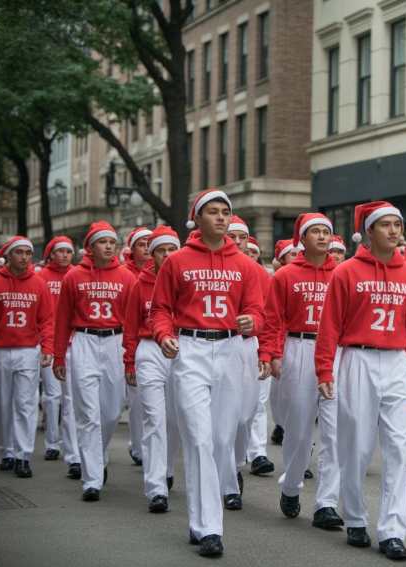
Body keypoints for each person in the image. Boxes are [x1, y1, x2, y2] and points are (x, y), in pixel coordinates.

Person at [150, 189, 264, 557]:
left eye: (225, 212)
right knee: (198, 439)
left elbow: (258, 311)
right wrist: (164, 334)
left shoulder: (245, 265)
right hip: (192, 349)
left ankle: (204, 520)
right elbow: (161, 308)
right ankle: (208, 527)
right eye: (212, 212)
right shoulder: (177, 261)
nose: (220, 217)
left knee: (220, 441)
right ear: (197, 219)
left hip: (231, 349)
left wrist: (252, 322)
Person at [315, 201, 406, 561]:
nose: (394, 231)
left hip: (397, 361)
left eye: (398, 224)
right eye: (386, 225)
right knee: (357, 447)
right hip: (358, 359)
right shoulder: (346, 272)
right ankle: (357, 518)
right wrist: (324, 370)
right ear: (368, 232)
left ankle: (393, 530)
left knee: (398, 448)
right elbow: (329, 325)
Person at [260, 212, 343, 528]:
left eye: (327, 232)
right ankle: (292, 485)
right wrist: (272, 353)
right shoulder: (285, 275)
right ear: (302, 238)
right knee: (299, 429)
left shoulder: (343, 273)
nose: (323, 237)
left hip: (336, 353)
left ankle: (326, 503)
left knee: (334, 431)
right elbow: (273, 318)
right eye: (315, 232)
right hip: (300, 348)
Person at [53, 222, 136, 500]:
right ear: (90, 246)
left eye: (112, 242)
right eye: (102, 242)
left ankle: (97, 453)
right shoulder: (74, 277)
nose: (109, 246)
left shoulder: (126, 277)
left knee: (112, 411)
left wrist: (130, 355)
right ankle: (91, 479)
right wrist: (58, 355)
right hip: (84, 341)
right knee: (88, 413)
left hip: (115, 341)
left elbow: (133, 320)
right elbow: (62, 318)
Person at [0, 237, 54, 478]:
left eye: (27, 253)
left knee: (25, 403)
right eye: (19, 253)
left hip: (28, 350)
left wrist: (48, 348)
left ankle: (23, 455)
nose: (24, 257)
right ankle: (7, 450)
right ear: (8, 256)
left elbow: (47, 319)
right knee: (2, 403)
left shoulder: (38, 283)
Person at [123, 225, 181, 513]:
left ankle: (168, 469)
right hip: (149, 351)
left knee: (175, 420)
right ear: (152, 254)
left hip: (182, 352)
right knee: (154, 419)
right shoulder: (139, 284)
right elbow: (131, 327)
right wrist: (129, 361)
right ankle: (156, 487)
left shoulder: (186, 280)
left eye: (172, 249)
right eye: (161, 250)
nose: (167, 255)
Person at [226, 216, 273, 505]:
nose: (237, 242)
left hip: (247, 346)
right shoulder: (205, 266)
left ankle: (237, 459)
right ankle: (228, 476)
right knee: (223, 415)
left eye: (242, 237)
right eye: (232, 236)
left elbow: (270, 318)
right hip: (214, 347)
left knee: (246, 413)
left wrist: (266, 353)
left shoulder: (259, 273)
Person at [38, 236, 82, 478]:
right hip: (48, 341)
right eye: (60, 251)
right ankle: (52, 442)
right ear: (51, 254)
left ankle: (70, 449)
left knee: (69, 398)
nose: (65, 255)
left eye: (69, 251)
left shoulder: (76, 274)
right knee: (52, 395)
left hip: (74, 341)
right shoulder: (41, 277)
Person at [265, 239, 300, 450]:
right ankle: (281, 423)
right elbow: (273, 318)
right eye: (292, 254)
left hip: (315, 345)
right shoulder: (279, 278)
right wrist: (272, 352)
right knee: (280, 395)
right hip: (287, 342)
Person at [123, 226, 153, 467]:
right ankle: (138, 445)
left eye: (149, 243)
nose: (146, 248)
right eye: (141, 243)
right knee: (136, 399)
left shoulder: (169, 271)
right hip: (131, 340)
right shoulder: (126, 275)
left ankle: (154, 447)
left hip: (164, 343)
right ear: (132, 249)